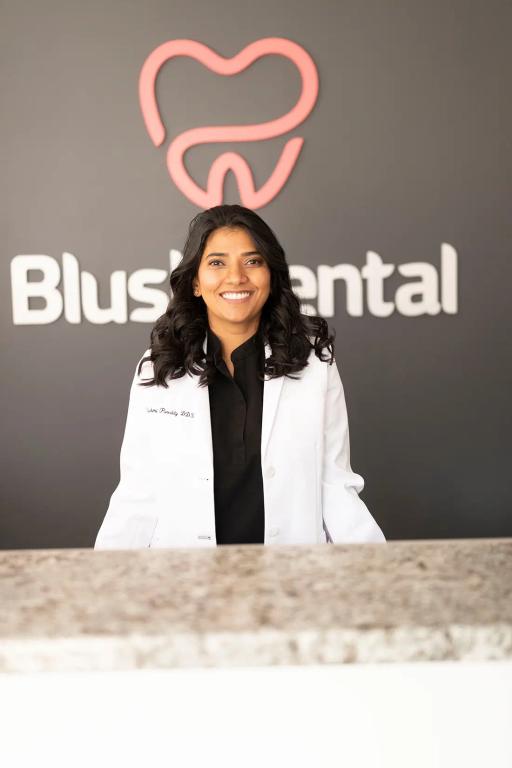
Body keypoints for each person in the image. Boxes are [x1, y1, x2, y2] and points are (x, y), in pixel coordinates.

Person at [94, 204, 385, 549]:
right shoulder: (160, 367)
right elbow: (138, 492)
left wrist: (378, 572)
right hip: (184, 580)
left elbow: (335, 484)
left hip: (291, 576)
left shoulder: (313, 363)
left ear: (271, 275)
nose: (236, 277)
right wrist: (104, 585)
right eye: (217, 263)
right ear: (196, 283)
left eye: (252, 261)